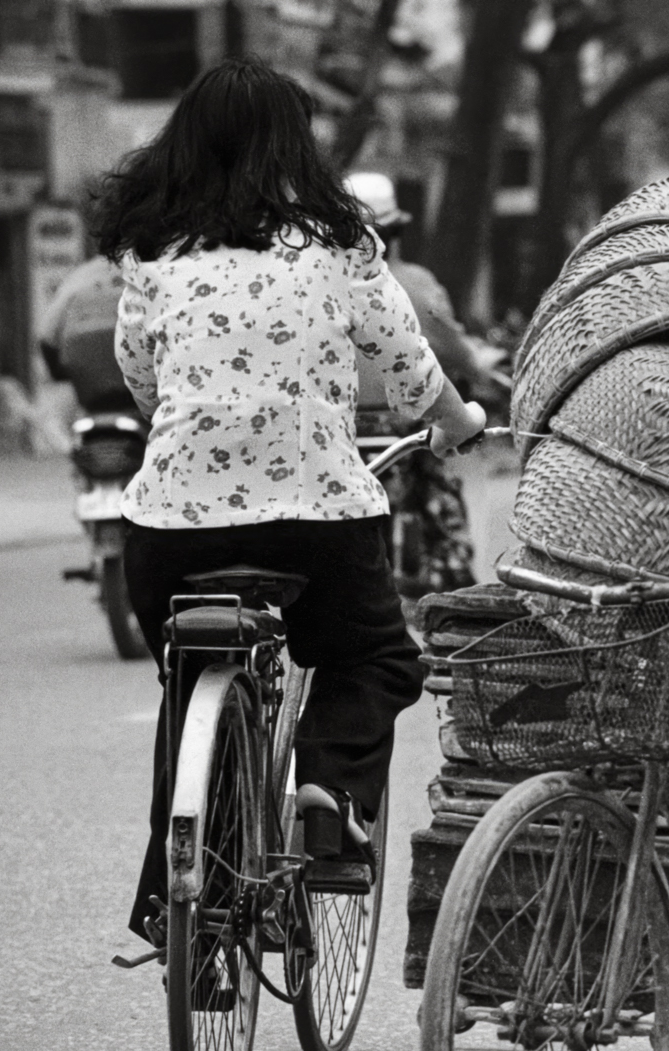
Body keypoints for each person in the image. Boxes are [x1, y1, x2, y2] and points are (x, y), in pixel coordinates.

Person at [91, 57, 485, 940]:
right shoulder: (341, 246)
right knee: (374, 658)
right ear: (294, 146)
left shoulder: (152, 254)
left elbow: (140, 377)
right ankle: (330, 795)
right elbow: (411, 368)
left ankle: (177, 889)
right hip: (317, 520)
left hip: (170, 528)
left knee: (190, 667)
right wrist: (459, 423)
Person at [344, 170, 481, 596]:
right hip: (404, 426)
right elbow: (457, 354)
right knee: (438, 480)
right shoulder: (417, 284)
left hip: (340, 427)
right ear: (397, 232)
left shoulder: (319, 283)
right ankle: (454, 573)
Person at [38, 254, 136, 414]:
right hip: (132, 350)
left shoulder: (83, 273)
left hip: (79, 350)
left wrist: (61, 376)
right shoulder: (156, 271)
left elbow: (47, 334)